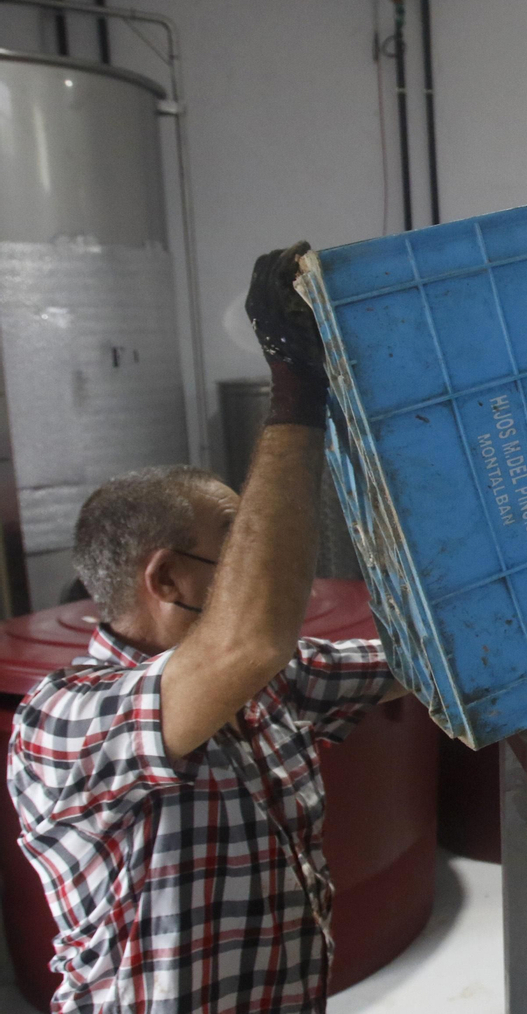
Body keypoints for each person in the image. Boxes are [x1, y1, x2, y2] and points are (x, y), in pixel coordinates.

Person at [7, 244, 405, 1014]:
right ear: (165, 579)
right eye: (238, 548)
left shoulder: (271, 686)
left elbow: (414, 663)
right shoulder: (62, 721)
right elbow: (247, 639)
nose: (270, 570)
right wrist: (296, 396)